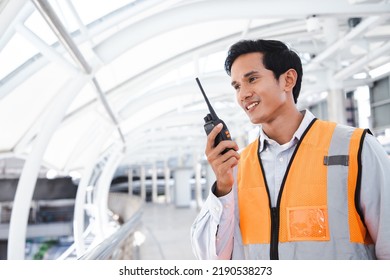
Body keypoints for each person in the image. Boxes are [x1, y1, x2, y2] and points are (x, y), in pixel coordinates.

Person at [190, 39, 390, 260]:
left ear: (288, 79)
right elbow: (211, 259)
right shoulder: (236, 166)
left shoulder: (356, 148)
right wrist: (222, 189)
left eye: (252, 79)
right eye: (237, 86)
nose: (243, 94)